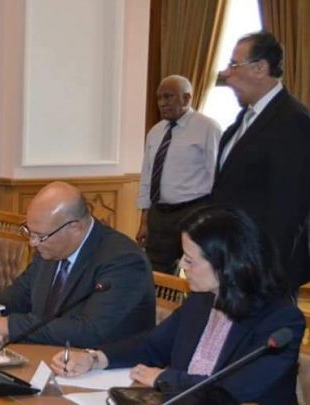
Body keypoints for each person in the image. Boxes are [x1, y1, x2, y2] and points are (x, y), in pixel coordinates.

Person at [51, 206, 304, 405]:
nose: (181, 265)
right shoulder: (202, 300)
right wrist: (96, 358)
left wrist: (164, 378)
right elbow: (152, 345)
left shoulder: (281, 321)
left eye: (190, 260)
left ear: (226, 265)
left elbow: (233, 390)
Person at [0, 182, 154, 347]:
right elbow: (21, 293)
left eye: (40, 236)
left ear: (74, 227)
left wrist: (8, 326)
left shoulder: (124, 261)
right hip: (50, 354)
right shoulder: (49, 248)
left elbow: (89, 331)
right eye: (29, 232)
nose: (32, 243)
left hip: (101, 362)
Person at [213, 31, 310, 291]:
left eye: (234, 65)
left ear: (260, 68)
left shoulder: (293, 121)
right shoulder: (243, 120)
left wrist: (263, 274)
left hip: (261, 271)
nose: (226, 74)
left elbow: (289, 211)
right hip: (231, 260)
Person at [137, 75, 221, 274]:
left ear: (186, 98)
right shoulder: (155, 132)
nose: (162, 103)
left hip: (193, 211)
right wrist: (144, 220)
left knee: (199, 270)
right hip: (159, 214)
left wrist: (214, 218)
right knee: (156, 272)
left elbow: (216, 176)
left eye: (168, 97)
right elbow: (147, 176)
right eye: (159, 98)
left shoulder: (207, 128)